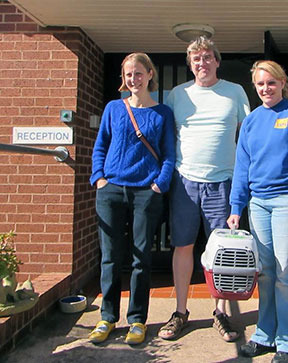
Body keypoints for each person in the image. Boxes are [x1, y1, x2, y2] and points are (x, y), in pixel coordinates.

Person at [227, 60, 288, 363]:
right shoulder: (253, 121)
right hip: (259, 204)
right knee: (266, 273)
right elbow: (242, 166)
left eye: (271, 82)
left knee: (286, 274)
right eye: (260, 85)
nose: (265, 89)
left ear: (282, 83)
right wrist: (235, 206)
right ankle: (265, 335)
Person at [158, 36, 250, 342]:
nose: (202, 63)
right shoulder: (177, 94)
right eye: (196, 59)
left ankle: (220, 312)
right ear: (190, 64)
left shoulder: (235, 92)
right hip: (184, 182)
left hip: (223, 182)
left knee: (222, 252)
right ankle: (180, 312)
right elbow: (164, 136)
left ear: (217, 61)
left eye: (208, 57)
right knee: (182, 246)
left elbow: (249, 136)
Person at [89, 52, 175, 345]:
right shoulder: (114, 108)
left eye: (138, 73)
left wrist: (159, 185)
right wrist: (98, 179)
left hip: (145, 193)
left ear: (150, 74)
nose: (133, 79)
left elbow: (168, 155)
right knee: (110, 257)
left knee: (141, 258)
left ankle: (137, 320)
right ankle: (107, 317)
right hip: (111, 189)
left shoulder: (162, 113)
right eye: (128, 75)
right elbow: (100, 144)